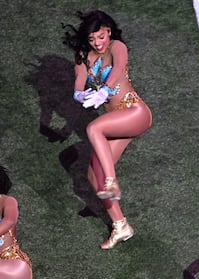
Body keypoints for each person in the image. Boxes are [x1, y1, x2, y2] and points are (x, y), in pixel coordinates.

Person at [63, 10, 152, 249]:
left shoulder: (117, 46)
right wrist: (79, 94)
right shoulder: (82, 56)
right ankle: (121, 225)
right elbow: (79, 83)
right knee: (93, 173)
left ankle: (112, 181)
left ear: (108, 32)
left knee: (93, 128)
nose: (98, 43)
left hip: (135, 112)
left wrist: (104, 90)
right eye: (92, 39)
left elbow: (119, 67)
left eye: (101, 37)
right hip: (116, 121)